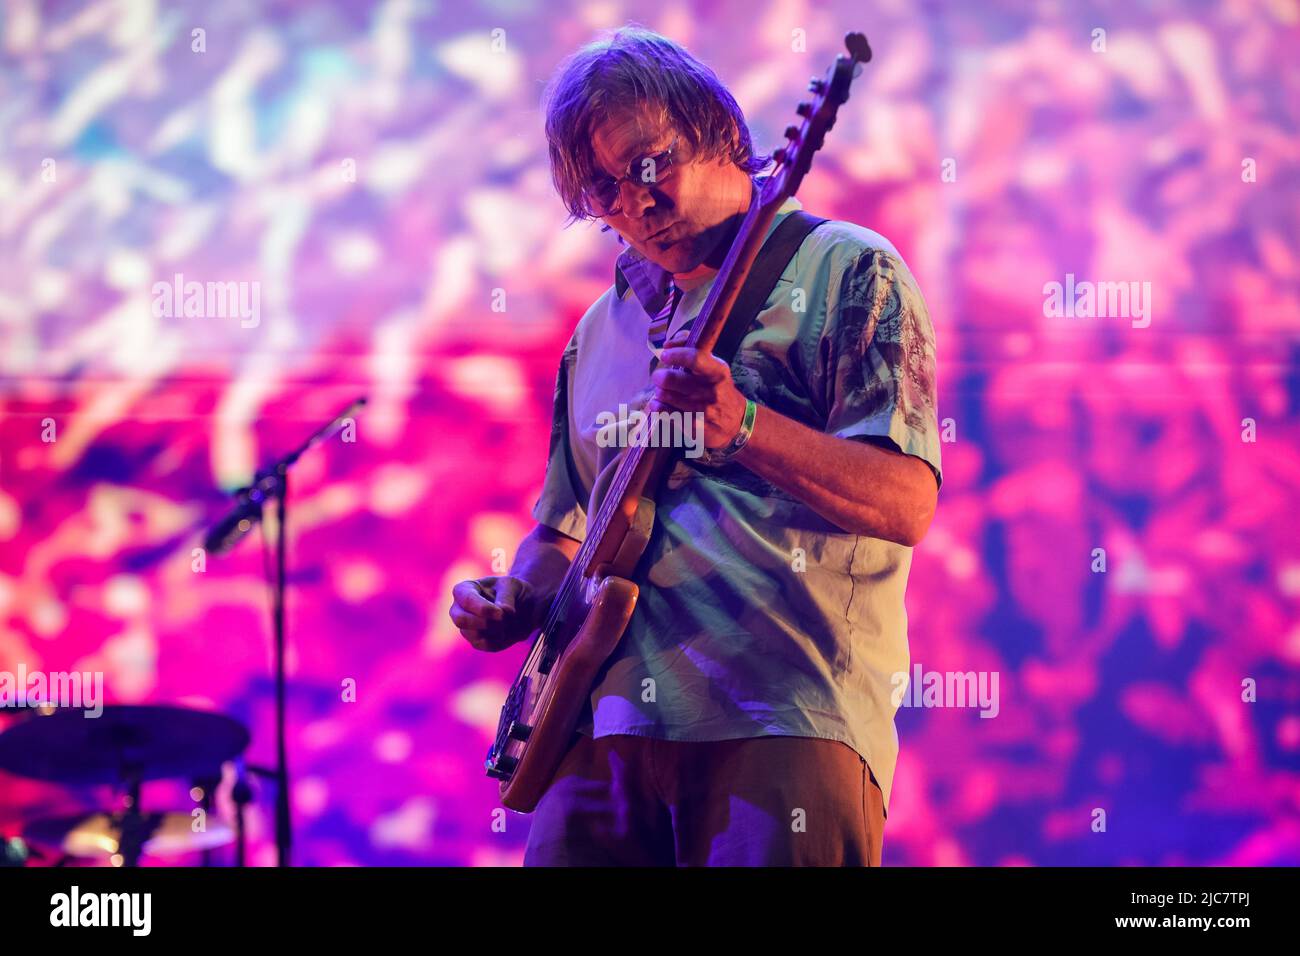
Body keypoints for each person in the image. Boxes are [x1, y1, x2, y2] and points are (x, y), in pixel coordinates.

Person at [449, 26, 942, 866]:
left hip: (782, 713)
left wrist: (743, 426)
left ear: (717, 130)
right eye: (603, 191)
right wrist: (516, 597)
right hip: (594, 727)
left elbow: (904, 501)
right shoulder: (598, 332)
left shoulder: (849, 270)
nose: (635, 203)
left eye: (648, 166)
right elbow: (562, 531)